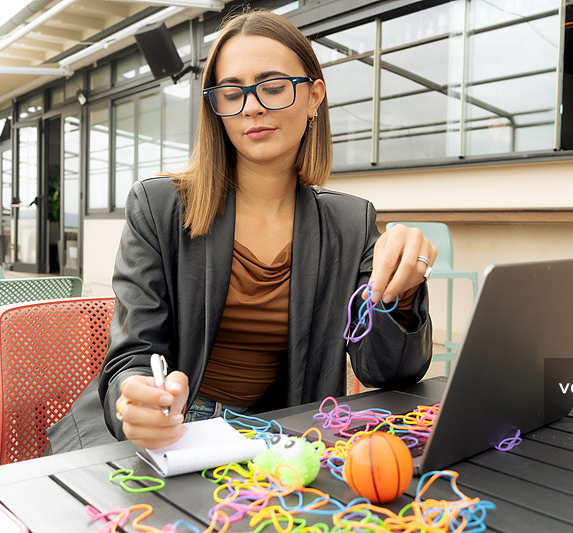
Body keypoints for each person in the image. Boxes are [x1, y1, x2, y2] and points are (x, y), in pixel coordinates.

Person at [70, 9, 437, 451]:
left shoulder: (351, 223)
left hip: (275, 434)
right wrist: (135, 402)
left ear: (315, 96)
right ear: (216, 107)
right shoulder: (159, 206)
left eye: (274, 87)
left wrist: (403, 288)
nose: (253, 106)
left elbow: (387, 373)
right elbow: (132, 356)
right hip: (169, 433)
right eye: (231, 93)